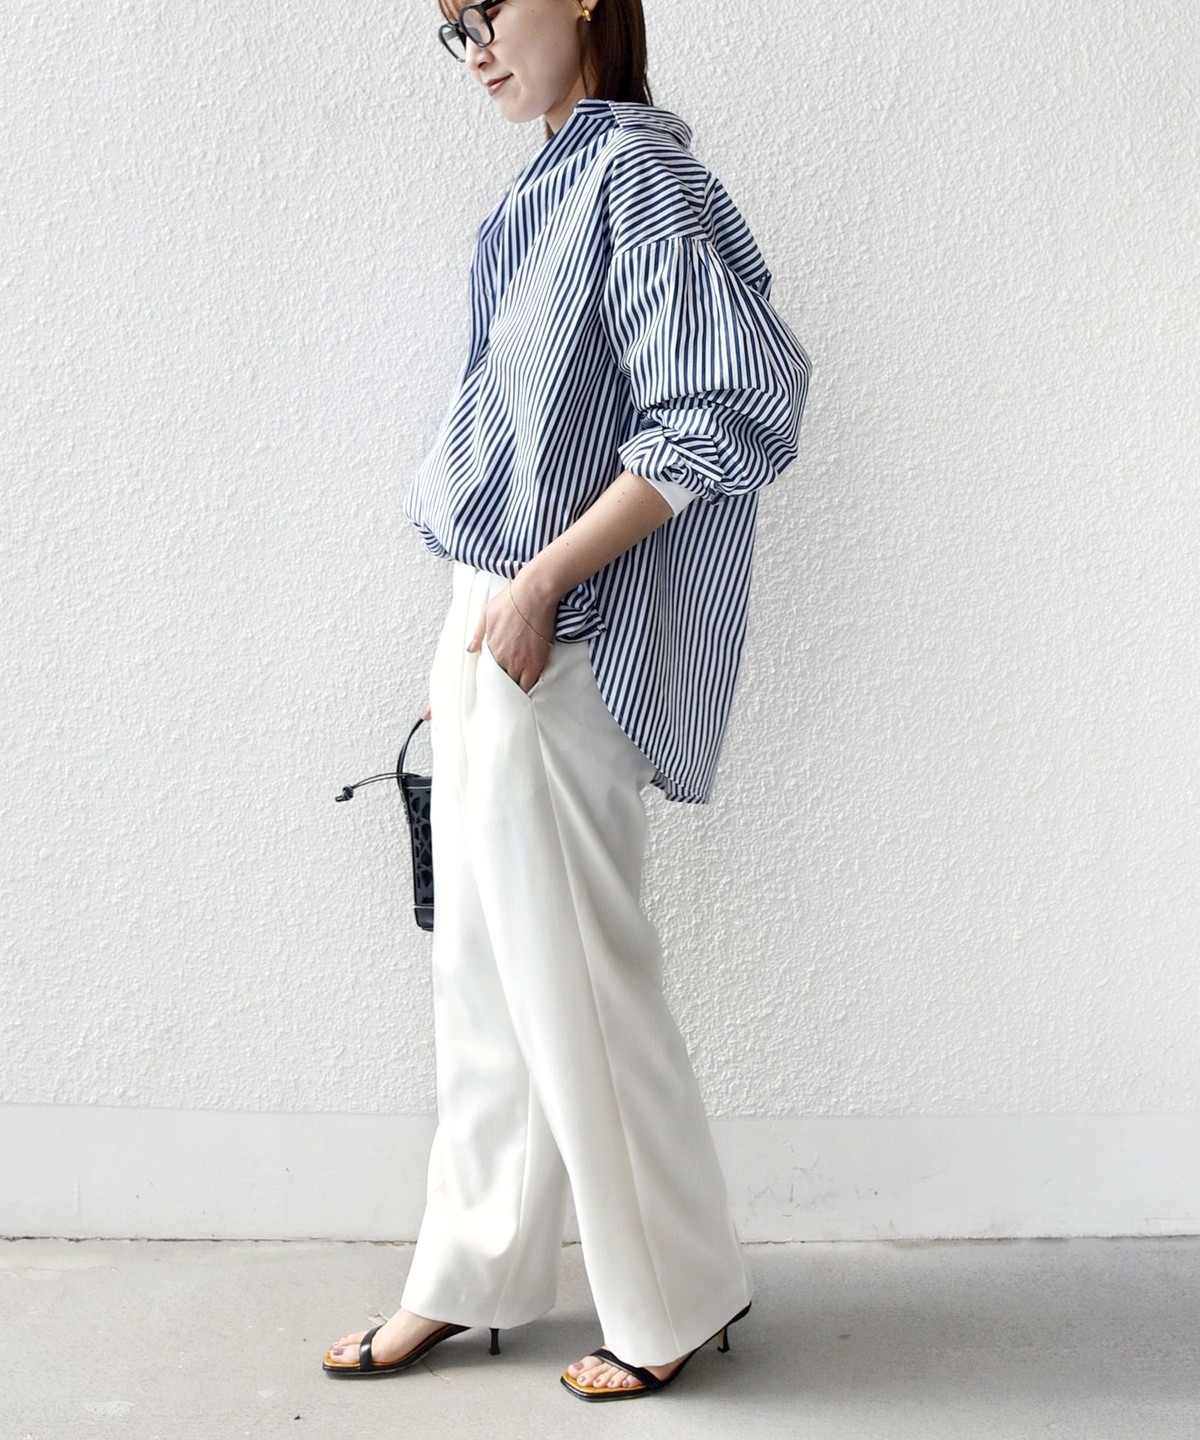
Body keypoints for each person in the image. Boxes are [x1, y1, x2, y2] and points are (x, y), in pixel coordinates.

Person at [323, 0, 810, 1401]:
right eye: (451, 28)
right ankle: (470, 1271)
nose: (474, 45)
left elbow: (730, 405)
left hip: (559, 630)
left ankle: (675, 1296)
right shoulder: (551, 176)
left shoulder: (635, 172)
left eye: (488, 8)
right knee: (485, 980)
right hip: (492, 618)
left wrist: (539, 585)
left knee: (581, 979)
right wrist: (482, 610)